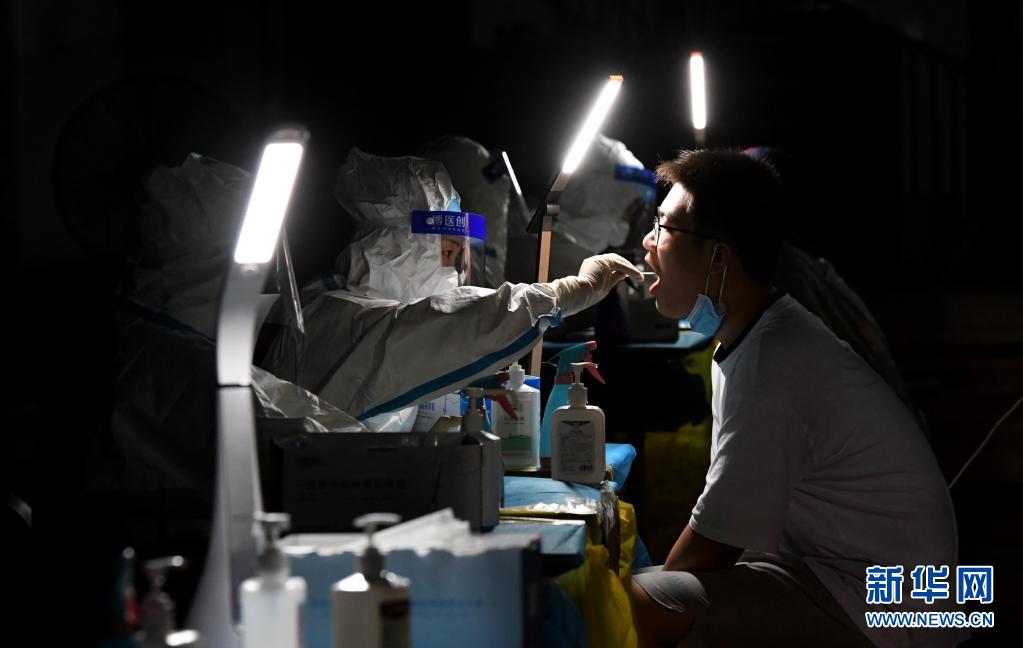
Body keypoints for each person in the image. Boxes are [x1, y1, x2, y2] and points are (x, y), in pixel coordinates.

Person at [629, 150, 960, 647]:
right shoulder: (753, 334)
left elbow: (714, 542)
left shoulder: (772, 363)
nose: (648, 241)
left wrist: (644, 591)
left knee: (632, 605)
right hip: (831, 571)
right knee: (636, 591)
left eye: (664, 227)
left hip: (891, 603)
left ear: (718, 257)